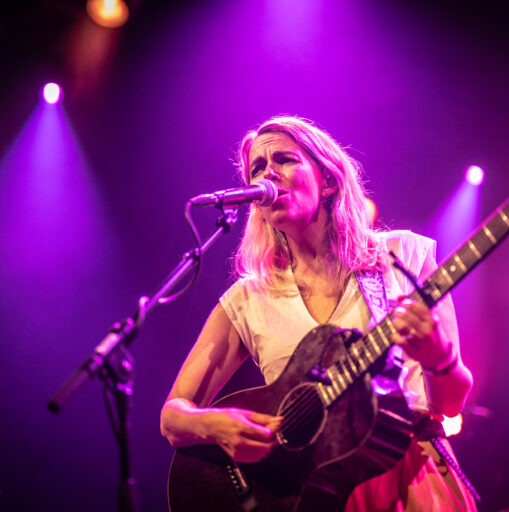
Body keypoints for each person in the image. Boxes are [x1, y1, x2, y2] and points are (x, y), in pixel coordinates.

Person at [160, 115, 477, 511]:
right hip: (309, 495)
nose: (268, 173)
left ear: (327, 180)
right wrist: (217, 426)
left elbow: (451, 404)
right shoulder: (248, 297)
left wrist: (439, 358)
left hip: (410, 479)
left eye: (284, 159)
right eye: (257, 168)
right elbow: (173, 417)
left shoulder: (402, 256)